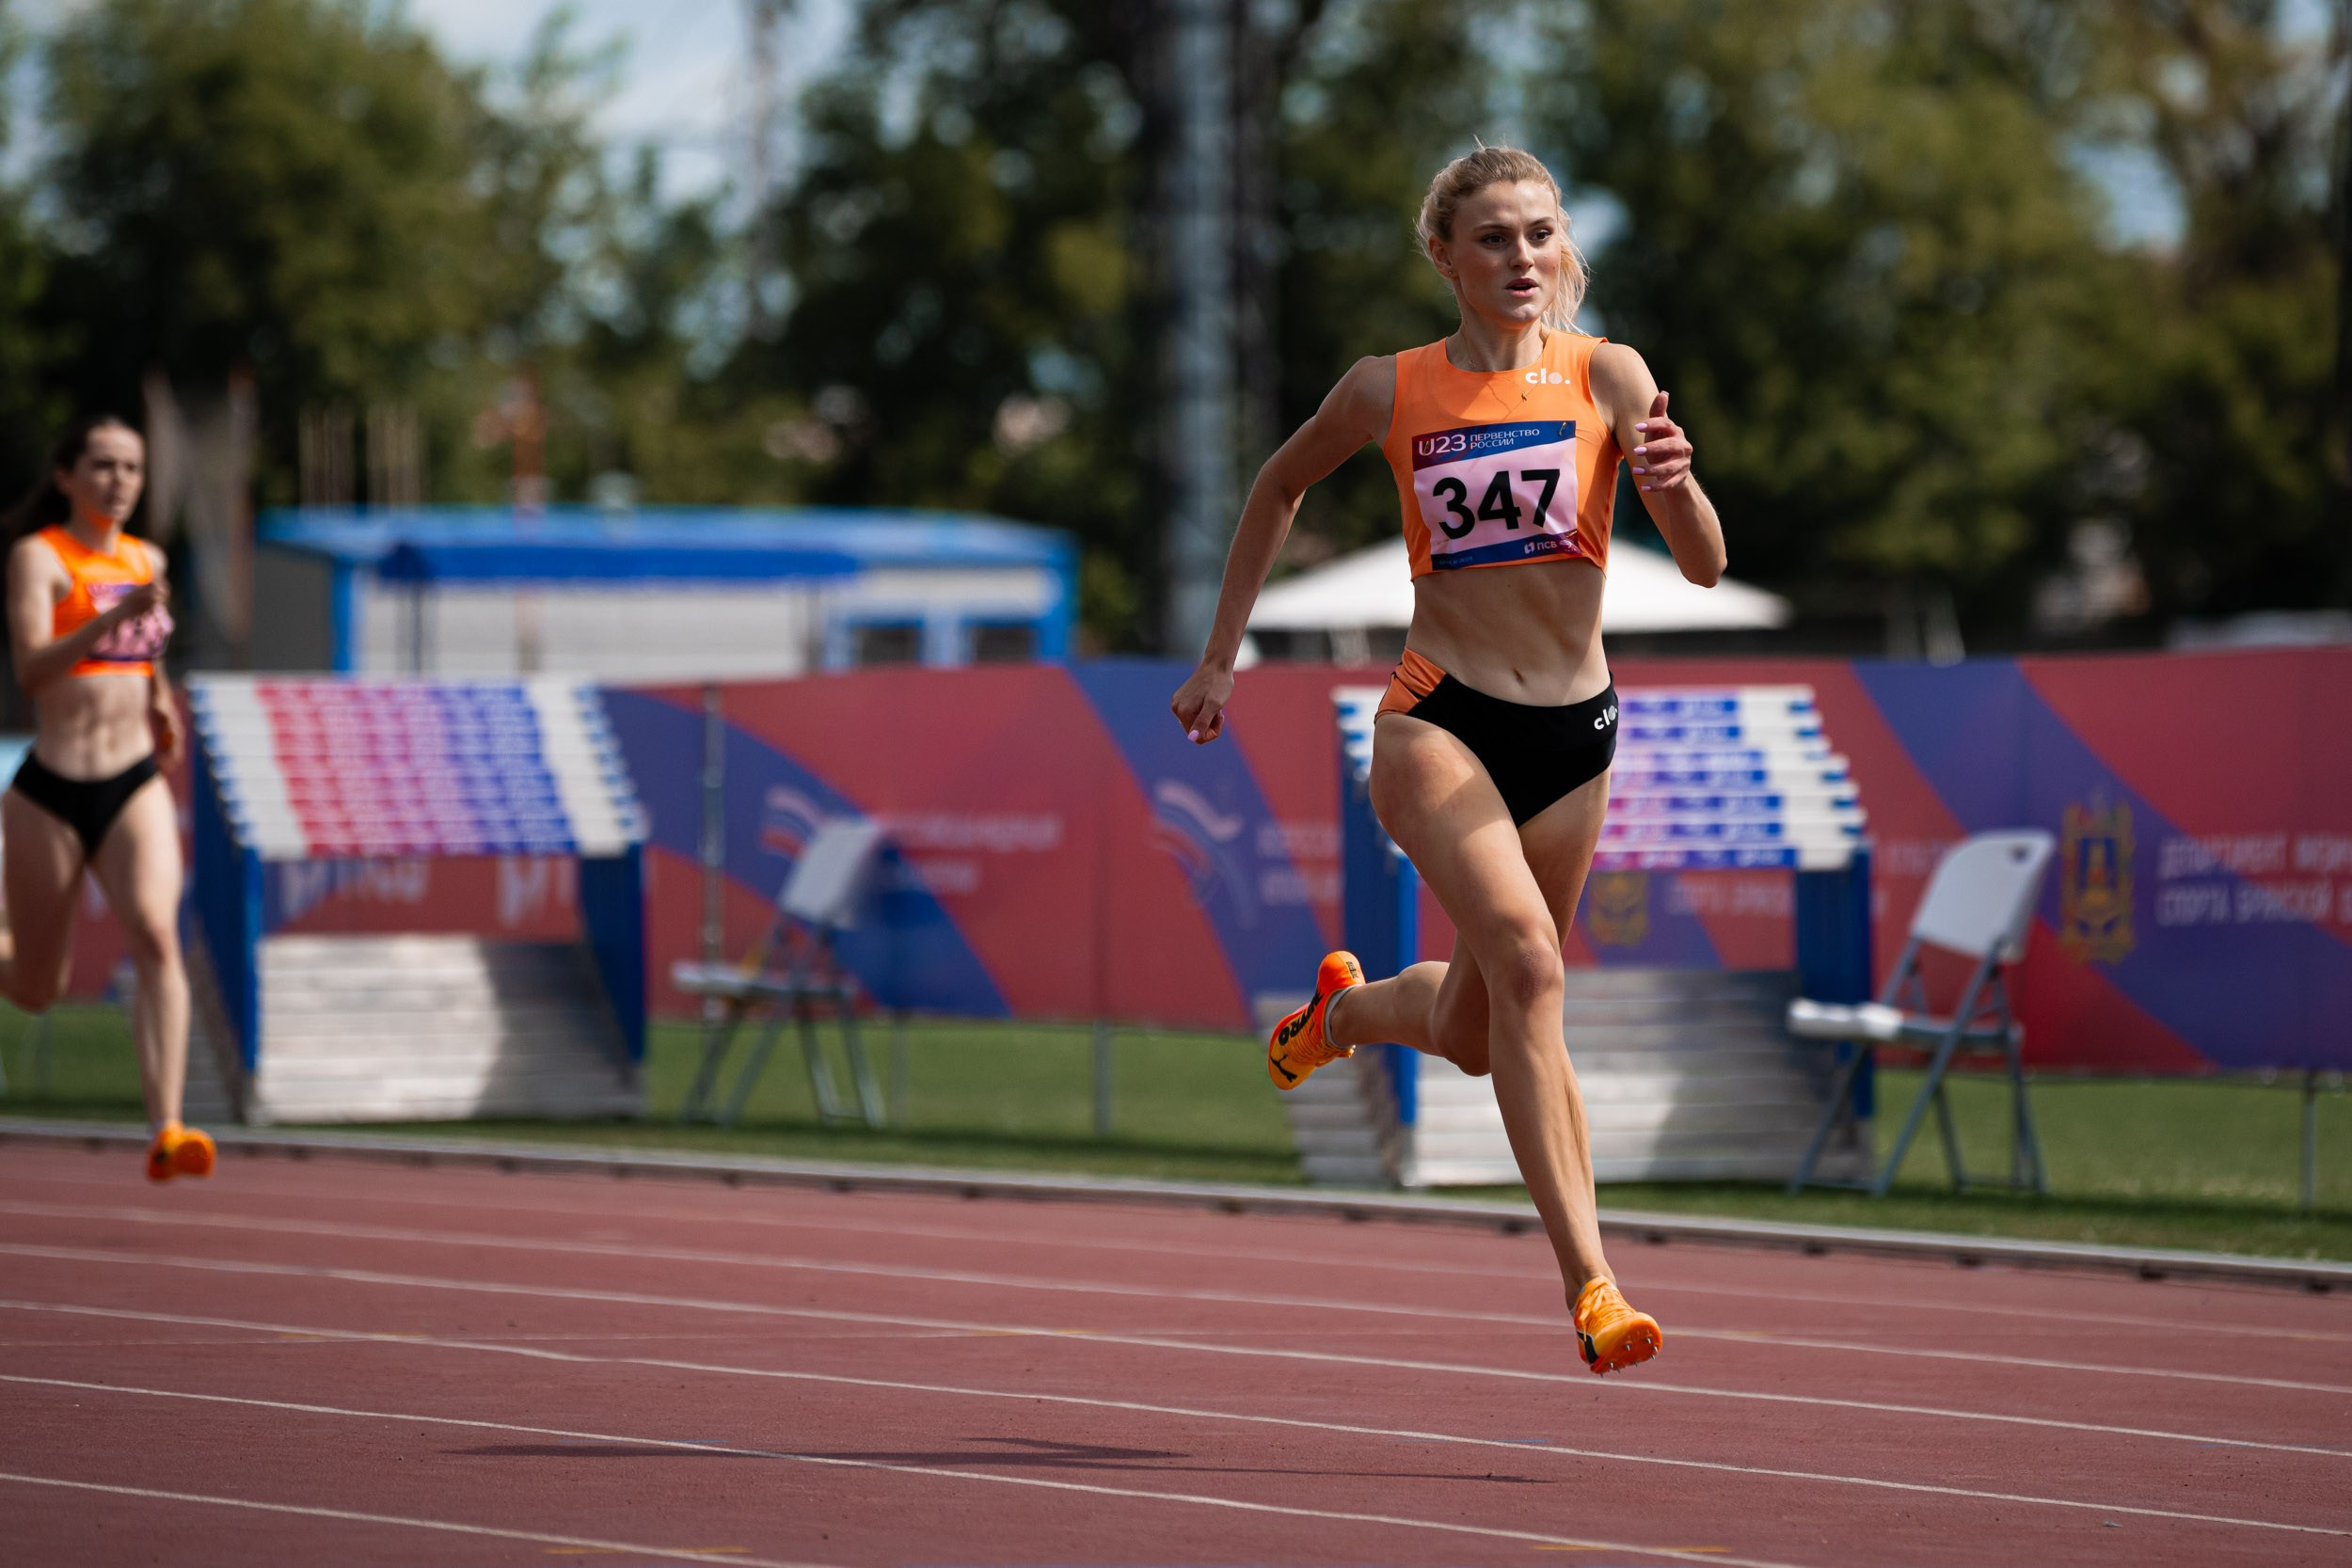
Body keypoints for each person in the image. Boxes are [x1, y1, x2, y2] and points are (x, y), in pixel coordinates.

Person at [1170, 147, 1724, 1375]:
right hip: (1440, 717)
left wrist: (1676, 490)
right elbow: (1276, 487)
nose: (1520, 256)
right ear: (1445, 255)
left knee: (1482, 1029)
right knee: (1531, 967)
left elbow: (1702, 563)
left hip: (1575, 731)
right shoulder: (1388, 389)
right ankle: (1594, 1281)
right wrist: (1222, 656)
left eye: (1537, 232)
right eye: (1491, 237)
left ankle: (1345, 1009)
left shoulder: (1609, 373)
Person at [2, 415, 213, 1183]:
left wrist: (157, 699)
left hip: (131, 781)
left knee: (157, 933)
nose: (120, 480)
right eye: (102, 464)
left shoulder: (146, 557)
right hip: (51, 789)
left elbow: (143, 654)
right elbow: (31, 670)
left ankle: (168, 1127)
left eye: (132, 467)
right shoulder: (39, 557)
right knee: (36, 987)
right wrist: (112, 616)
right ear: (66, 477)